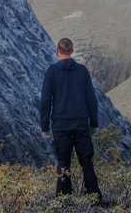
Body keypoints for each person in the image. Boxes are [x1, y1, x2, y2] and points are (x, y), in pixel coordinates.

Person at [40, 37, 101, 200]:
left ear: (58, 51)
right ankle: (94, 198)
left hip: (60, 125)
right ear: (72, 51)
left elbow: (46, 101)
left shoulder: (52, 72)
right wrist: (94, 123)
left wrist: (44, 127)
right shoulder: (82, 71)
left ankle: (63, 200)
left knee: (63, 162)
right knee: (86, 162)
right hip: (81, 123)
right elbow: (91, 100)